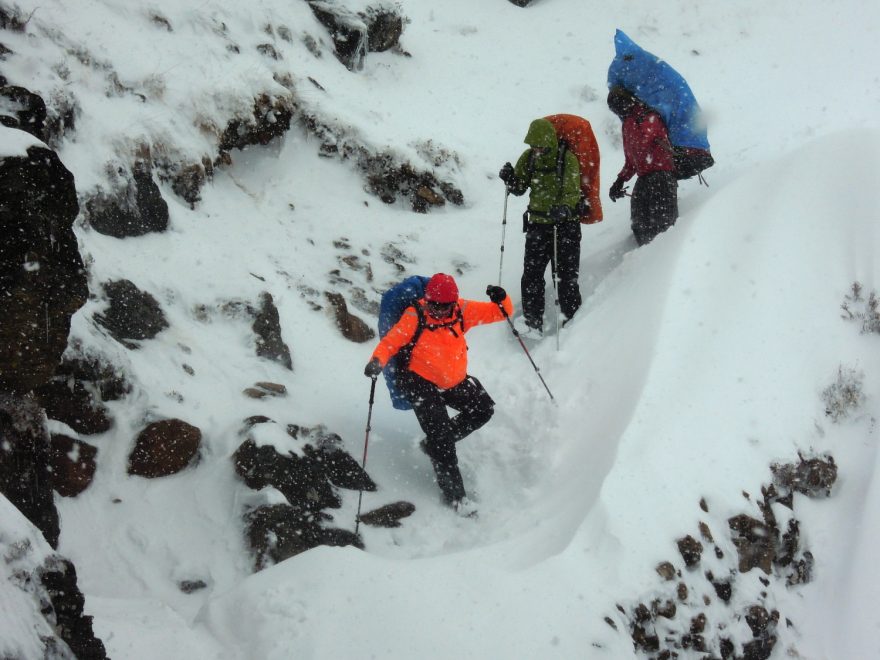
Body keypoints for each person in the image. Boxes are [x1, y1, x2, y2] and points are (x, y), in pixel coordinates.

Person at [364, 273, 513, 515]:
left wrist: (502, 298)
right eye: (435, 305)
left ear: (453, 302)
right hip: (420, 382)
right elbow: (391, 343)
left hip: (453, 381)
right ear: (427, 300)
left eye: (445, 307)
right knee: (442, 437)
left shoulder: (462, 310)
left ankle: (434, 445)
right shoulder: (414, 315)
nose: (440, 311)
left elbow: (501, 312)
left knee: (483, 411)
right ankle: (456, 499)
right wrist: (377, 361)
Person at [499, 118, 583, 337]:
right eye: (533, 146)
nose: (537, 150)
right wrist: (510, 179)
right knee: (531, 276)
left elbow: (573, 192)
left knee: (565, 277)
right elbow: (518, 187)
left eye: (540, 146)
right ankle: (532, 322)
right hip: (538, 225)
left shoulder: (567, 159)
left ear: (550, 142)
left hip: (565, 227)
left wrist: (565, 208)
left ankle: (573, 320)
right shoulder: (528, 159)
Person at [606, 85, 679, 246]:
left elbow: (644, 145)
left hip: (662, 175)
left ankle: (667, 258)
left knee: (663, 224)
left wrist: (636, 122)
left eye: (618, 106)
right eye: (614, 110)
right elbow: (632, 160)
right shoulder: (627, 124)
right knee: (639, 223)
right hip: (644, 178)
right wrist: (620, 181)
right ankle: (645, 261)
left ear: (627, 101)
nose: (618, 112)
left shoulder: (648, 115)